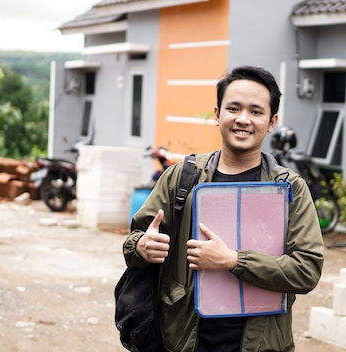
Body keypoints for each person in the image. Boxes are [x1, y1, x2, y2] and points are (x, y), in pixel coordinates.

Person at [124, 65, 324, 352]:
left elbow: (307, 270)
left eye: (256, 111)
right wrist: (142, 246)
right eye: (233, 108)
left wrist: (232, 260)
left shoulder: (289, 189)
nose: (243, 119)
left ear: (271, 122)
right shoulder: (181, 177)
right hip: (183, 341)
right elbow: (134, 241)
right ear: (217, 114)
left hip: (261, 342)